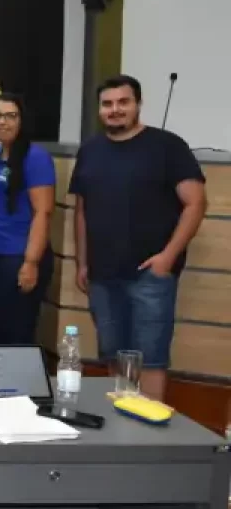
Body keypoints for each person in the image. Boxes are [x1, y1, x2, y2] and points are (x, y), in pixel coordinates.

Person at [69, 75, 206, 401]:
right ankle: (121, 431)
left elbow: (196, 203)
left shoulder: (167, 146)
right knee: (113, 355)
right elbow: (81, 211)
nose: (115, 110)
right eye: (107, 104)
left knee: (151, 359)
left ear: (138, 105)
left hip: (151, 275)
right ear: (100, 110)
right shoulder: (90, 150)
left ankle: (149, 440)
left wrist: (167, 258)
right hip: (102, 275)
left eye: (123, 102)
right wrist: (82, 262)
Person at [0, 94, 55, 345]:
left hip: (17, 259)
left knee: (15, 336)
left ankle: (18, 387)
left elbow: (43, 212)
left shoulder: (35, 157)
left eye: (10, 116)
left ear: (22, 120)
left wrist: (30, 262)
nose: (2, 122)